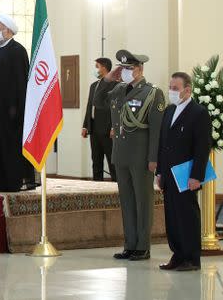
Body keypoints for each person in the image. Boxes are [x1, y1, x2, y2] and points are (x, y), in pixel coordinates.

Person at [101, 50, 165, 261]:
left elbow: (156, 130)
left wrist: (154, 158)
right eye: (124, 68)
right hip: (121, 154)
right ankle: (130, 244)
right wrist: (108, 78)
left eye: (130, 68)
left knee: (142, 201)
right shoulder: (119, 90)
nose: (126, 72)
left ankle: (143, 246)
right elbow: (98, 100)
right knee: (127, 201)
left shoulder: (152, 93)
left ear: (140, 70)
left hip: (141, 156)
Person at [156, 72, 211, 271]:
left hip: (186, 175)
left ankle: (191, 258)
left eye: (175, 88)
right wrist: (160, 172)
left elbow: (202, 147)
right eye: (170, 87)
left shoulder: (199, 113)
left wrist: (197, 175)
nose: (171, 91)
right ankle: (177, 255)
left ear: (187, 90)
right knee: (172, 216)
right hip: (169, 174)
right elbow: (163, 143)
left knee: (187, 216)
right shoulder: (169, 111)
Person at [0, 14, 35, 192]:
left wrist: (16, 109)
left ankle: (12, 181)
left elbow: (20, 83)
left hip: (11, 112)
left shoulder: (18, 51)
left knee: (10, 147)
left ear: (8, 30)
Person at [82, 57, 117, 181]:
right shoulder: (94, 85)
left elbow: (115, 108)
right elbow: (89, 106)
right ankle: (96, 187)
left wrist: (114, 126)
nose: (95, 69)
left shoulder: (115, 85)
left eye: (97, 66)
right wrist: (85, 125)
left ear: (104, 67)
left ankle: (115, 188)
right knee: (96, 160)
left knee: (112, 161)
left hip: (108, 129)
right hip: (94, 128)